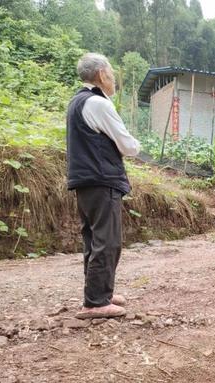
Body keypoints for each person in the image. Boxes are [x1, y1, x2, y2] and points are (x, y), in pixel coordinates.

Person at [66, 53, 141, 319]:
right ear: (100, 74)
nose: (113, 79)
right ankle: (96, 302)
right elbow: (127, 145)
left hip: (85, 181)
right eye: (110, 73)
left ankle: (100, 294)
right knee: (107, 241)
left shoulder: (77, 101)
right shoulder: (99, 103)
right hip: (101, 179)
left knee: (94, 240)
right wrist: (137, 146)